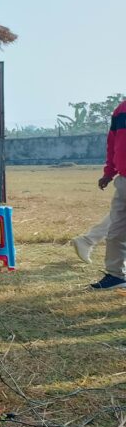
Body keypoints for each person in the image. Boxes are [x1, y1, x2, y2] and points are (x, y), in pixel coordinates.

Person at [87, 97, 126, 289]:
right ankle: (116, 275)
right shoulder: (120, 111)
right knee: (116, 232)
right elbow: (113, 144)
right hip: (123, 181)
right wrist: (109, 173)